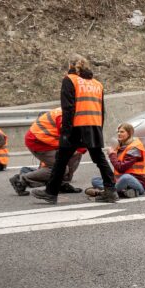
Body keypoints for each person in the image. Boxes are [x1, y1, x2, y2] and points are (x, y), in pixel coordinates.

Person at [32, 55, 118, 205]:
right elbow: (102, 109)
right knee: (99, 159)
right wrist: (99, 129)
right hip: (94, 125)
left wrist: (65, 132)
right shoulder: (97, 84)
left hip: (76, 126)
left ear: (70, 66)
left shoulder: (69, 79)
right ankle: (111, 190)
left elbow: (68, 108)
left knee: (61, 160)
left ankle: (51, 193)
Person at [10, 107, 84, 195]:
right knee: (62, 168)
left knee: (75, 154)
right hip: (38, 141)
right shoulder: (66, 116)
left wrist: (80, 148)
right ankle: (21, 180)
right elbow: (66, 138)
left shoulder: (76, 113)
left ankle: (60, 184)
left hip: (48, 140)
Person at [85, 123, 145, 199]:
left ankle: (103, 192)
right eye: (118, 132)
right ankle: (124, 191)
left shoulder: (134, 148)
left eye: (122, 132)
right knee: (95, 180)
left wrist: (112, 154)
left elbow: (120, 168)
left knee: (126, 178)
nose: (119, 134)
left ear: (129, 133)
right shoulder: (122, 145)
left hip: (138, 183)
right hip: (120, 180)